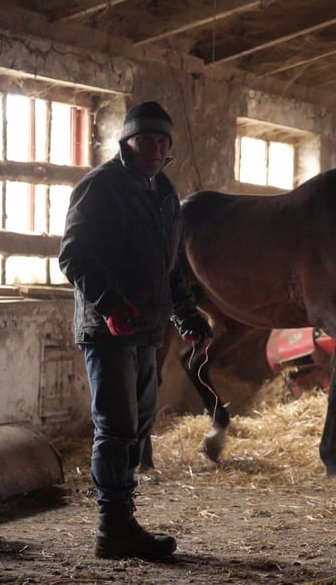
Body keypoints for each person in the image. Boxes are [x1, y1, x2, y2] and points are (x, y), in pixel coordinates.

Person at [58, 100, 213, 561]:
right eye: (146, 139)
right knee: (117, 424)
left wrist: (186, 315)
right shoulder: (100, 187)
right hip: (107, 329)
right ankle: (113, 527)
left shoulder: (163, 192)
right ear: (126, 141)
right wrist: (108, 303)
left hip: (146, 329)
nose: (155, 147)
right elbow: (73, 255)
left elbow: (169, 268)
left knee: (141, 422)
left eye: (163, 141)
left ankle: (123, 516)